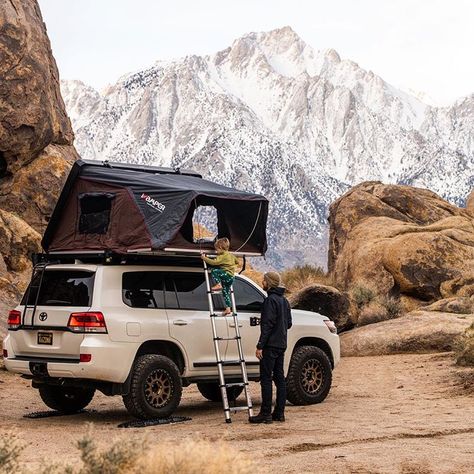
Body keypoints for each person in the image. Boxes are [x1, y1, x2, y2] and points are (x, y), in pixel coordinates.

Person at [249, 271, 292, 424]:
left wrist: (260, 345)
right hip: (281, 344)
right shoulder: (284, 301)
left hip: (270, 346)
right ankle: (279, 413)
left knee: (266, 378)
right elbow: (289, 324)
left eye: (264, 281)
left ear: (268, 283)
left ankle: (265, 413)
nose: (262, 283)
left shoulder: (270, 301)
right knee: (280, 378)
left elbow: (266, 325)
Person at [201, 237, 239, 315]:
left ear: (221, 248)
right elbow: (237, 261)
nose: (216, 251)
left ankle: (218, 284)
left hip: (226, 275)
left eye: (217, 249)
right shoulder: (231, 255)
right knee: (225, 292)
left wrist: (204, 258)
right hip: (231, 277)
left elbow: (214, 263)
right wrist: (232, 266)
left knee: (214, 271)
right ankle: (228, 308)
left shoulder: (222, 256)